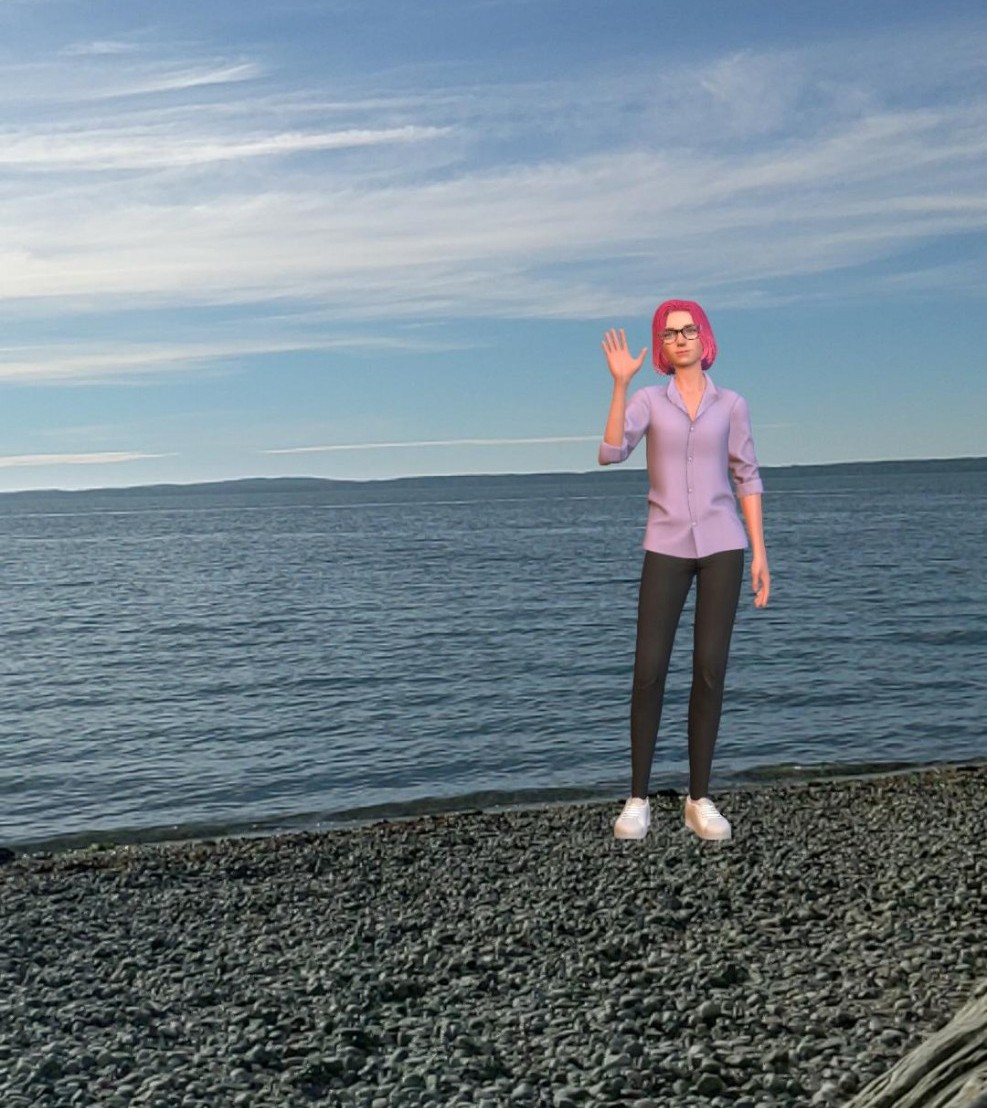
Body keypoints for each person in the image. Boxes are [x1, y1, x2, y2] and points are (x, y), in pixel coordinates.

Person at [599, 299, 769, 842]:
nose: (679, 339)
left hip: (724, 544)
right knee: (649, 669)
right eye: (669, 333)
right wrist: (621, 383)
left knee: (709, 671)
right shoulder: (649, 399)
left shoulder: (732, 404)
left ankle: (699, 798)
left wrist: (760, 552)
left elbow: (747, 475)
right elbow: (610, 451)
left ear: (704, 338)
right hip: (666, 543)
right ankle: (637, 799)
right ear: (662, 346)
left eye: (688, 330)